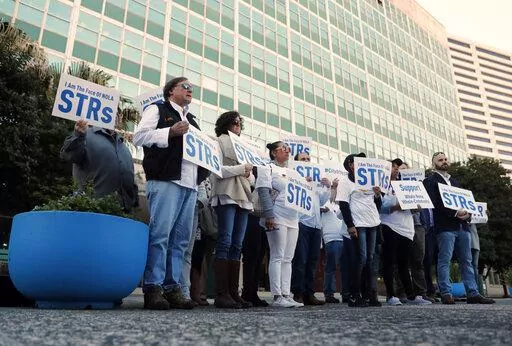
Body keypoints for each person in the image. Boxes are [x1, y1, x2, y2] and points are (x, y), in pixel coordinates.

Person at [133, 77, 210, 310]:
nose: (190, 90)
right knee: (161, 235)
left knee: (181, 241)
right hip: (166, 180)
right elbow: (139, 137)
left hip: (190, 185)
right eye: (185, 86)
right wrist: (170, 132)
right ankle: (153, 287)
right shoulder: (157, 109)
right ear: (170, 91)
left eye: (192, 88)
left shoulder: (193, 121)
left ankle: (172, 287)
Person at [423, 152, 494, 305]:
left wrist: (468, 215)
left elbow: (466, 202)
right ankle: (446, 293)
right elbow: (434, 203)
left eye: (445, 159)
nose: (444, 161)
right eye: (440, 160)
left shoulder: (455, 182)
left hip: (463, 226)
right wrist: (455, 213)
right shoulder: (430, 181)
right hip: (445, 226)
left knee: (467, 261)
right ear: (434, 163)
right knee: (444, 260)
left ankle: (473, 293)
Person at [210, 111, 254, 309]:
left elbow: (251, 178)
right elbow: (217, 169)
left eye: (239, 123)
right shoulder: (217, 141)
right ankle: (222, 293)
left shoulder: (244, 147)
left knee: (238, 244)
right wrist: (240, 169)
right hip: (226, 193)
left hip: (244, 196)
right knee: (225, 241)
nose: (238, 126)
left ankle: (233, 293)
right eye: (234, 122)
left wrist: (248, 172)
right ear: (226, 124)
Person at [256, 141, 302, 308]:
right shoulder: (266, 168)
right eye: (283, 149)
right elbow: (263, 190)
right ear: (274, 152)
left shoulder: (293, 172)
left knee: (288, 258)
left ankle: (286, 293)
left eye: (288, 149)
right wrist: (269, 214)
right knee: (277, 255)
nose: (287, 151)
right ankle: (277, 296)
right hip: (277, 216)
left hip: (293, 218)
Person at [380, 158, 431, 306]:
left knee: (404, 263)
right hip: (389, 226)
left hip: (407, 229)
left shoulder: (406, 186)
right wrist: (396, 207)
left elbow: (412, 208)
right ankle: (391, 295)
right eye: (392, 167)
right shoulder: (382, 187)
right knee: (389, 262)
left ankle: (411, 296)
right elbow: (379, 207)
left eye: (397, 167)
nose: (395, 169)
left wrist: (416, 208)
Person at [60, 119, 138, 212]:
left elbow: (129, 177)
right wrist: (78, 136)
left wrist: (133, 202)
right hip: (90, 209)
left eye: (118, 113)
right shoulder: (85, 134)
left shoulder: (123, 146)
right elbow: (69, 156)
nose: (116, 116)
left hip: (121, 213)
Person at [335, 153, 382, 307]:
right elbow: (343, 204)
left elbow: (377, 204)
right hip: (358, 224)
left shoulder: (370, 180)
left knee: (369, 259)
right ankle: (355, 295)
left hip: (373, 223)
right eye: (359, 161)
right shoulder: (345, 182)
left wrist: (377, 195)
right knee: (360, 259)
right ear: (351, 164)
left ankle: (368, 295)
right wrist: (350, 225)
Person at [291, 152, 330, 306]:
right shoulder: (294, 177)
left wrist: (326, 187)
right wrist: (301, 181)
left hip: (316, 225)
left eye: (308, 159)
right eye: (303, 159)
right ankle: (298, 293)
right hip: (302, 222)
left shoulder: (315, 181)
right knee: (300, 260)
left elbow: (321, 200)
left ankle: (309, 293)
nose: (306, 161)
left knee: (313, 261)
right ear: (297, 163)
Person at [399, 162, 435, 304]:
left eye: (406, 170)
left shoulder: (418, 186)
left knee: (418, 260)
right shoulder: (393, 186)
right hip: (401, 225)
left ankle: (421, 292)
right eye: (401, 170)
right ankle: (401, 292)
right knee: (400, 261)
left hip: (418, 225)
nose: (404, 172)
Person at [321, 178, 351, 303]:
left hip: (345, 237)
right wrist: (331, 188)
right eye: (335, 188)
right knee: (331, 267)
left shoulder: (343, 203)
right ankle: (329, 293)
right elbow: (322, 208)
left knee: (346, 268)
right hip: (332, 239)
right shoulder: (325, 200)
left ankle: (346, 293)